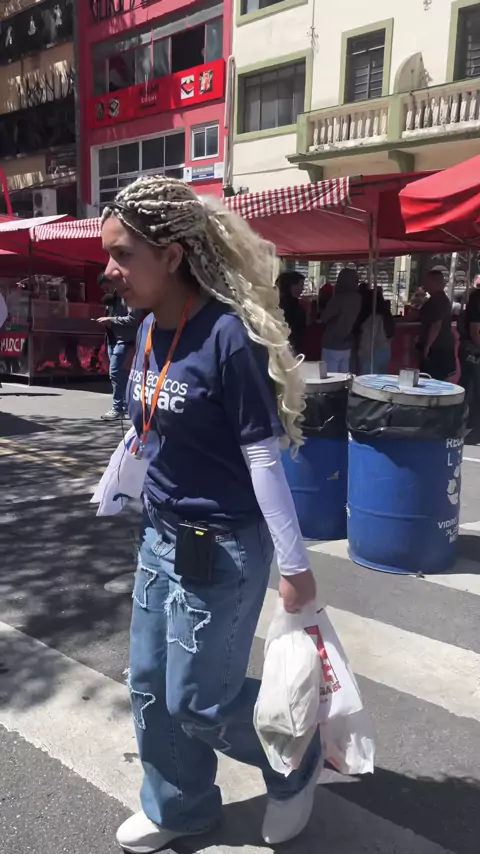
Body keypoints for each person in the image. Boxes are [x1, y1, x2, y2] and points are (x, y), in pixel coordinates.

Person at [100, 177, 320, 854]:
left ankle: (297, 758)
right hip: (159, 535)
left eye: (123, 255)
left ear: (171, 256)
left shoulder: (227, 336)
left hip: (223, 546)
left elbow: (263, 458)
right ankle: (182, 807)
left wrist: (296, 568)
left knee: (201, 701)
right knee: (148, 687)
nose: (110, 269)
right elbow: (154, 425)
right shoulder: (145, 329)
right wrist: (121, 478)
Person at [96, 273, 142, 420]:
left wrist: (111, 320)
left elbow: (133, 319)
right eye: (104, 289)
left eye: (107, 287)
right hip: (112, 339)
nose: (106, 291)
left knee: (115, 373)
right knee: (119, 375)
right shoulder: (111, 299)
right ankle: (126, 406)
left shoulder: (128, 296)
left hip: (125, 340)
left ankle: (118, 408)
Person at [417, 269, 456, 381]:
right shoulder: (434, 300)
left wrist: (428, 346)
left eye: (426, 281)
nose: (424, 284)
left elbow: (436, 324)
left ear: (433, 282)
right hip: (440, 346)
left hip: (438, 347)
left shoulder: (438, 300)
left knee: (433, 379)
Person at [320, 267, 361, 372]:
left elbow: (324, 317)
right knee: (344, 376)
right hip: (347, 341)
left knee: (330, 377)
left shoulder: (338, 298)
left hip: (331, 341)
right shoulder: (357, 298)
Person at [459, 274, 480, 431]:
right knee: (472, 390)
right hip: (474, 351)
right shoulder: (477, 299)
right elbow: (475, 331)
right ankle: (469, 426)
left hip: (472, 349)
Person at [358, 290, 395, 375]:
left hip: (373, 352)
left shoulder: (374, 319)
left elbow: (368, 339)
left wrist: (362, 354)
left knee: (368, 379)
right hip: (386, 351)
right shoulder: (387, 317)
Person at [277, 270, 306, 355]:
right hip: (291, 346)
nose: (303, 289)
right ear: (292, 286)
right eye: (301, 285)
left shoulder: (278, 302)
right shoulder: (290, 306)